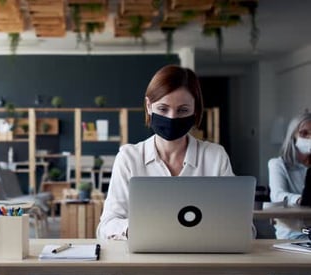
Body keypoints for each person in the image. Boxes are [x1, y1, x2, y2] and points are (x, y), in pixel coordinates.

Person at [97, 65, 234, 240]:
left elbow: (243, 226)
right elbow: (106, 226)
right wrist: (137, 228)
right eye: (163, 109)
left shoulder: (216, 157)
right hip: (144, 262)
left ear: (196, 110)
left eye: (183, 110)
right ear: (149, 106)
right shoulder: (129, 158)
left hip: (201, 260)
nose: (172, 118)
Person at [268, 112, 311, 239]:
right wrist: (301, 200)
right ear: (293, 136)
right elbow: (278, 195)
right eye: (304, 133)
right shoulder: (277, 164)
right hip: (292, 236)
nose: (309, 137)